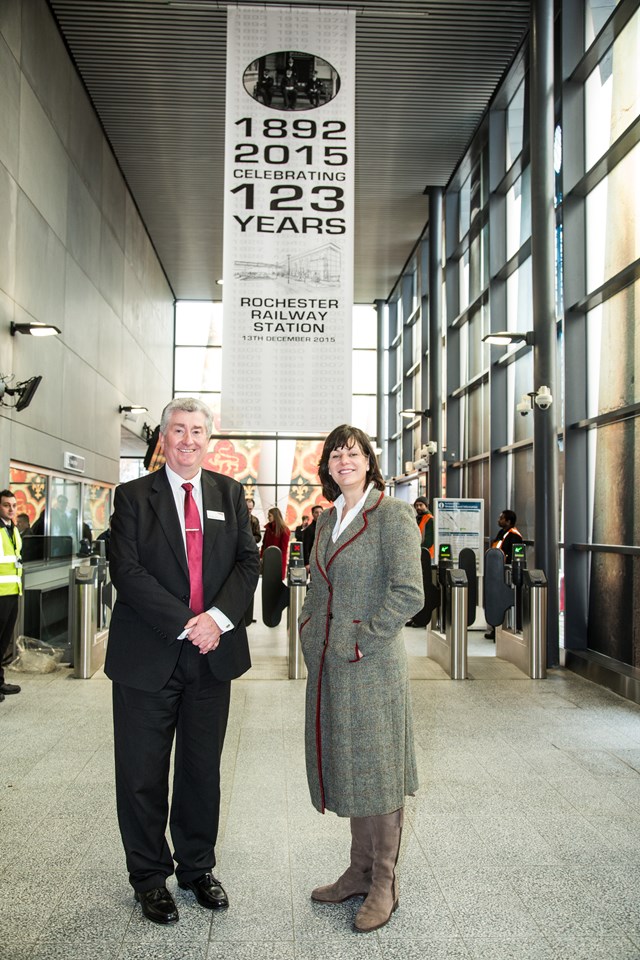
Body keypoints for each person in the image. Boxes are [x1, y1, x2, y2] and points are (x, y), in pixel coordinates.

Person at [105, 397, 259, 926]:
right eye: (178, 430)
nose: (188, 439)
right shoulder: (131, 497)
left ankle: (196, 868)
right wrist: (187, 622)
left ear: (208, 439)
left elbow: (248, 562)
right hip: (147, 657)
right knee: (142, 773)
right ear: (163, 439)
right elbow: (126, 571)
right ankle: (149, 878)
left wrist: (216, 619)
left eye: (197, 430)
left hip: (211, 658)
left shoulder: (229, 493)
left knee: (200, 770)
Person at [298, 425, 423, 933]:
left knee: (380, 768)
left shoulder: (392, 516)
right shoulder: (327, 520)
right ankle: (358, 869)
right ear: (327, 467)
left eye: (354, 453)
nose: (344, 461)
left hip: (370, 666)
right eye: (335, 455)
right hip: (330, 666)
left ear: (370, 461)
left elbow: (408, 592)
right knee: (350, 764)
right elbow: (314, 590)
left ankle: (384, 883)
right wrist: (311, 636)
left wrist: (358, 640)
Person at [485, 509, 524, 639]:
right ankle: (496, 630)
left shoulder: (515, 536)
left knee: (503, 600)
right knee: (496, 600)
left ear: (508, 521)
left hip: (505, 574)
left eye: (501, 518)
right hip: (496, 572)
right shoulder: (503, 533)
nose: (498, 520)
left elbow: (515, 556)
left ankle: (505, 630)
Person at [0, 490, 23, 701]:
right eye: (7, 505)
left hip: (12, 592)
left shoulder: (12, 530)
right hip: (0, 594)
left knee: (4, 641)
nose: (11, 509)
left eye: (14, 505)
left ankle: (0, 682)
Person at [406, 497, 435, 628]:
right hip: (417, 557)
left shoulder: (429, 519)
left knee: (423, 588)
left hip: (426, 558)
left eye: (421, 505)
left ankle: (421, 618)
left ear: (426, 506)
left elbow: (428, 540)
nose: (418, 507)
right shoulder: (417, 519)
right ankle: (415, 616)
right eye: (416, 505)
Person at [260, 507, 290, 580]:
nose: (268, 517)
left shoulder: (284, 530)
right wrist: (261, 556)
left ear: (275, 516)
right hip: (267, 560)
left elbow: (283, 550)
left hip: (277, 561)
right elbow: (264, 545)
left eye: (270, 515)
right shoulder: (268, 529)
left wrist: (281, 565)